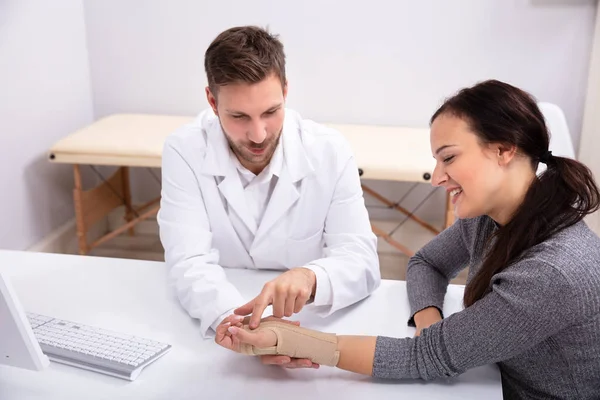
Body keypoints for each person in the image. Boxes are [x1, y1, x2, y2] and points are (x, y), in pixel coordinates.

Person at [215, 79, 600, 398]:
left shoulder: (552, 273)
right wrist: (431, 320)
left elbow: (423, 358)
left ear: (503, 150)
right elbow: (426, 263)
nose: (436, 177)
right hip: (491, 380)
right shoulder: (494, 217)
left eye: (448, 158)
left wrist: (290, 340)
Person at [157, 25, 380, 347]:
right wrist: (233, 323)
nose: (258, 134)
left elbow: (361, 260)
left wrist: (311, 277)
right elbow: (188, 260)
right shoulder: (184, 149)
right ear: (211, 99)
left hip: (311, 318)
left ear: (286, 91)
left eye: (271, 112)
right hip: (222, 317)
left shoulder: (330, 150)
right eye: (239, 116)